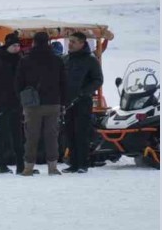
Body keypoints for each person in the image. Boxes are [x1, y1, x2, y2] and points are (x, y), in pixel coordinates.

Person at [15, 31, 67, 176]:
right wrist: (63, 102)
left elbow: (18, 83)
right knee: (52, 136)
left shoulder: (25, 60)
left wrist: (23, 99)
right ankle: (52, 167)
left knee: (31, 136)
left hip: (32, 105)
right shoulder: (57, 60)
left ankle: (28, 168)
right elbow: (63, 83)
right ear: (48, 43)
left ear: (34, 43)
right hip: (53, 103)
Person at [0, 32, 27, 174]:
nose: (17, 48)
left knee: (18, 136)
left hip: (18, 103)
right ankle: (1, 165)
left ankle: (21, 165)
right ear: (7, 46)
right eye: (14, 45)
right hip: (1, 105)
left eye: (18, 45)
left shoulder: (22, 62)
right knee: (1, 135)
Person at [62, 31, 104, 173]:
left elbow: (98, 80)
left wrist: (84, 92)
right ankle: (73, 163)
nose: (70, 44)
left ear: (82, 43)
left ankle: (83, 164)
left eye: (73, 41)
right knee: (69, 133)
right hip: (67, 103)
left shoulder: (90, 60)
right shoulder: (66, 59)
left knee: (82, 132)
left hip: (83, 102)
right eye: (69, 41)